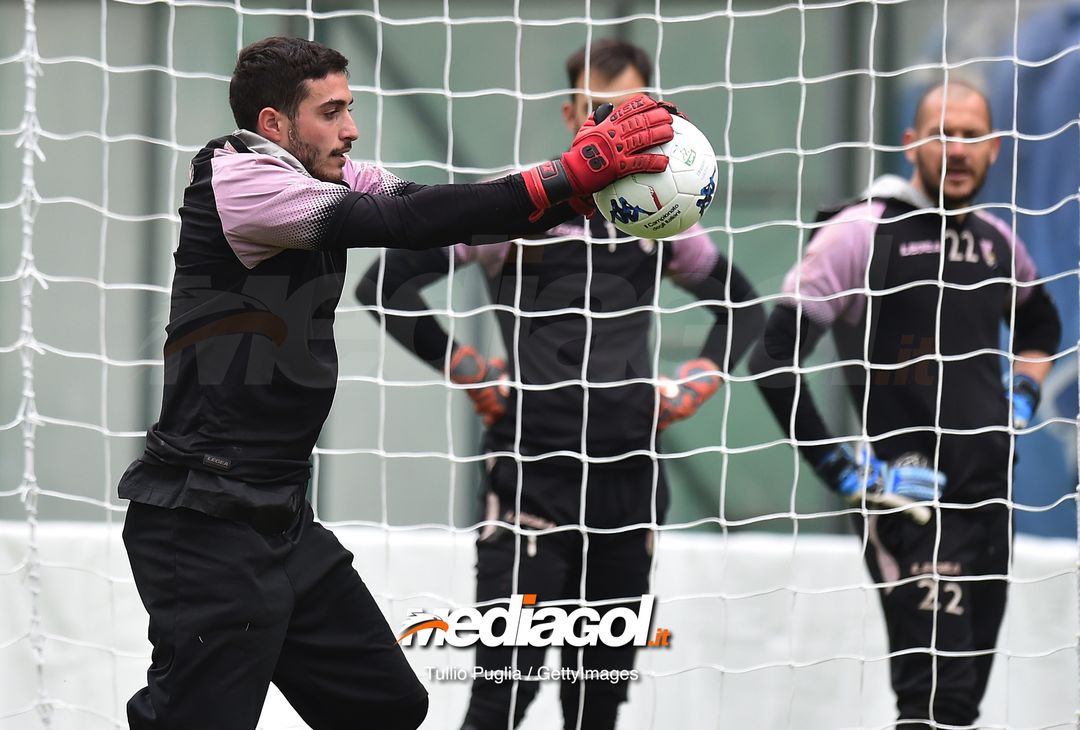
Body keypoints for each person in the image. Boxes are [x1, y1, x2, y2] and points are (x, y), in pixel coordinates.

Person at [116, 36, 678, 730]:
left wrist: (572, 193)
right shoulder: (242, 181)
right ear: (273, 125)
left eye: (349, 108)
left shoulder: (333, 174)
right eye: (331, 112)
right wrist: (563, 176)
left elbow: (438, 207)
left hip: (279, 518)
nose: (351, 129)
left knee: (386, 707)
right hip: (202, 522)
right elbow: (404, 224)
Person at [357, 39, 764, 730]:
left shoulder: (664, 216)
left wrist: (693, 385)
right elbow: (386, 286)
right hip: (529, 476)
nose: (613, 124)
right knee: (503, 692)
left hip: (629, 477)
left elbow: (745, 308)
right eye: (600, 111)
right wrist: (470, 371)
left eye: (629, 111)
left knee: (597, 697)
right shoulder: (520, 205)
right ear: (572, 112)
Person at [748, 80, 1061, 728]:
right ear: (911, 143)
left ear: (996, 148)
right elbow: (771, 359)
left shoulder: (999, 243)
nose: (959, 147)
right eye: (943, 131)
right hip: (908, 504)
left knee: (961, 703)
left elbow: (1042, 326)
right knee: (932, 700)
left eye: (973, 134)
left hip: (988, 504)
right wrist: (842, 469)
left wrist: (1023, 395)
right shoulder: (861, 232)